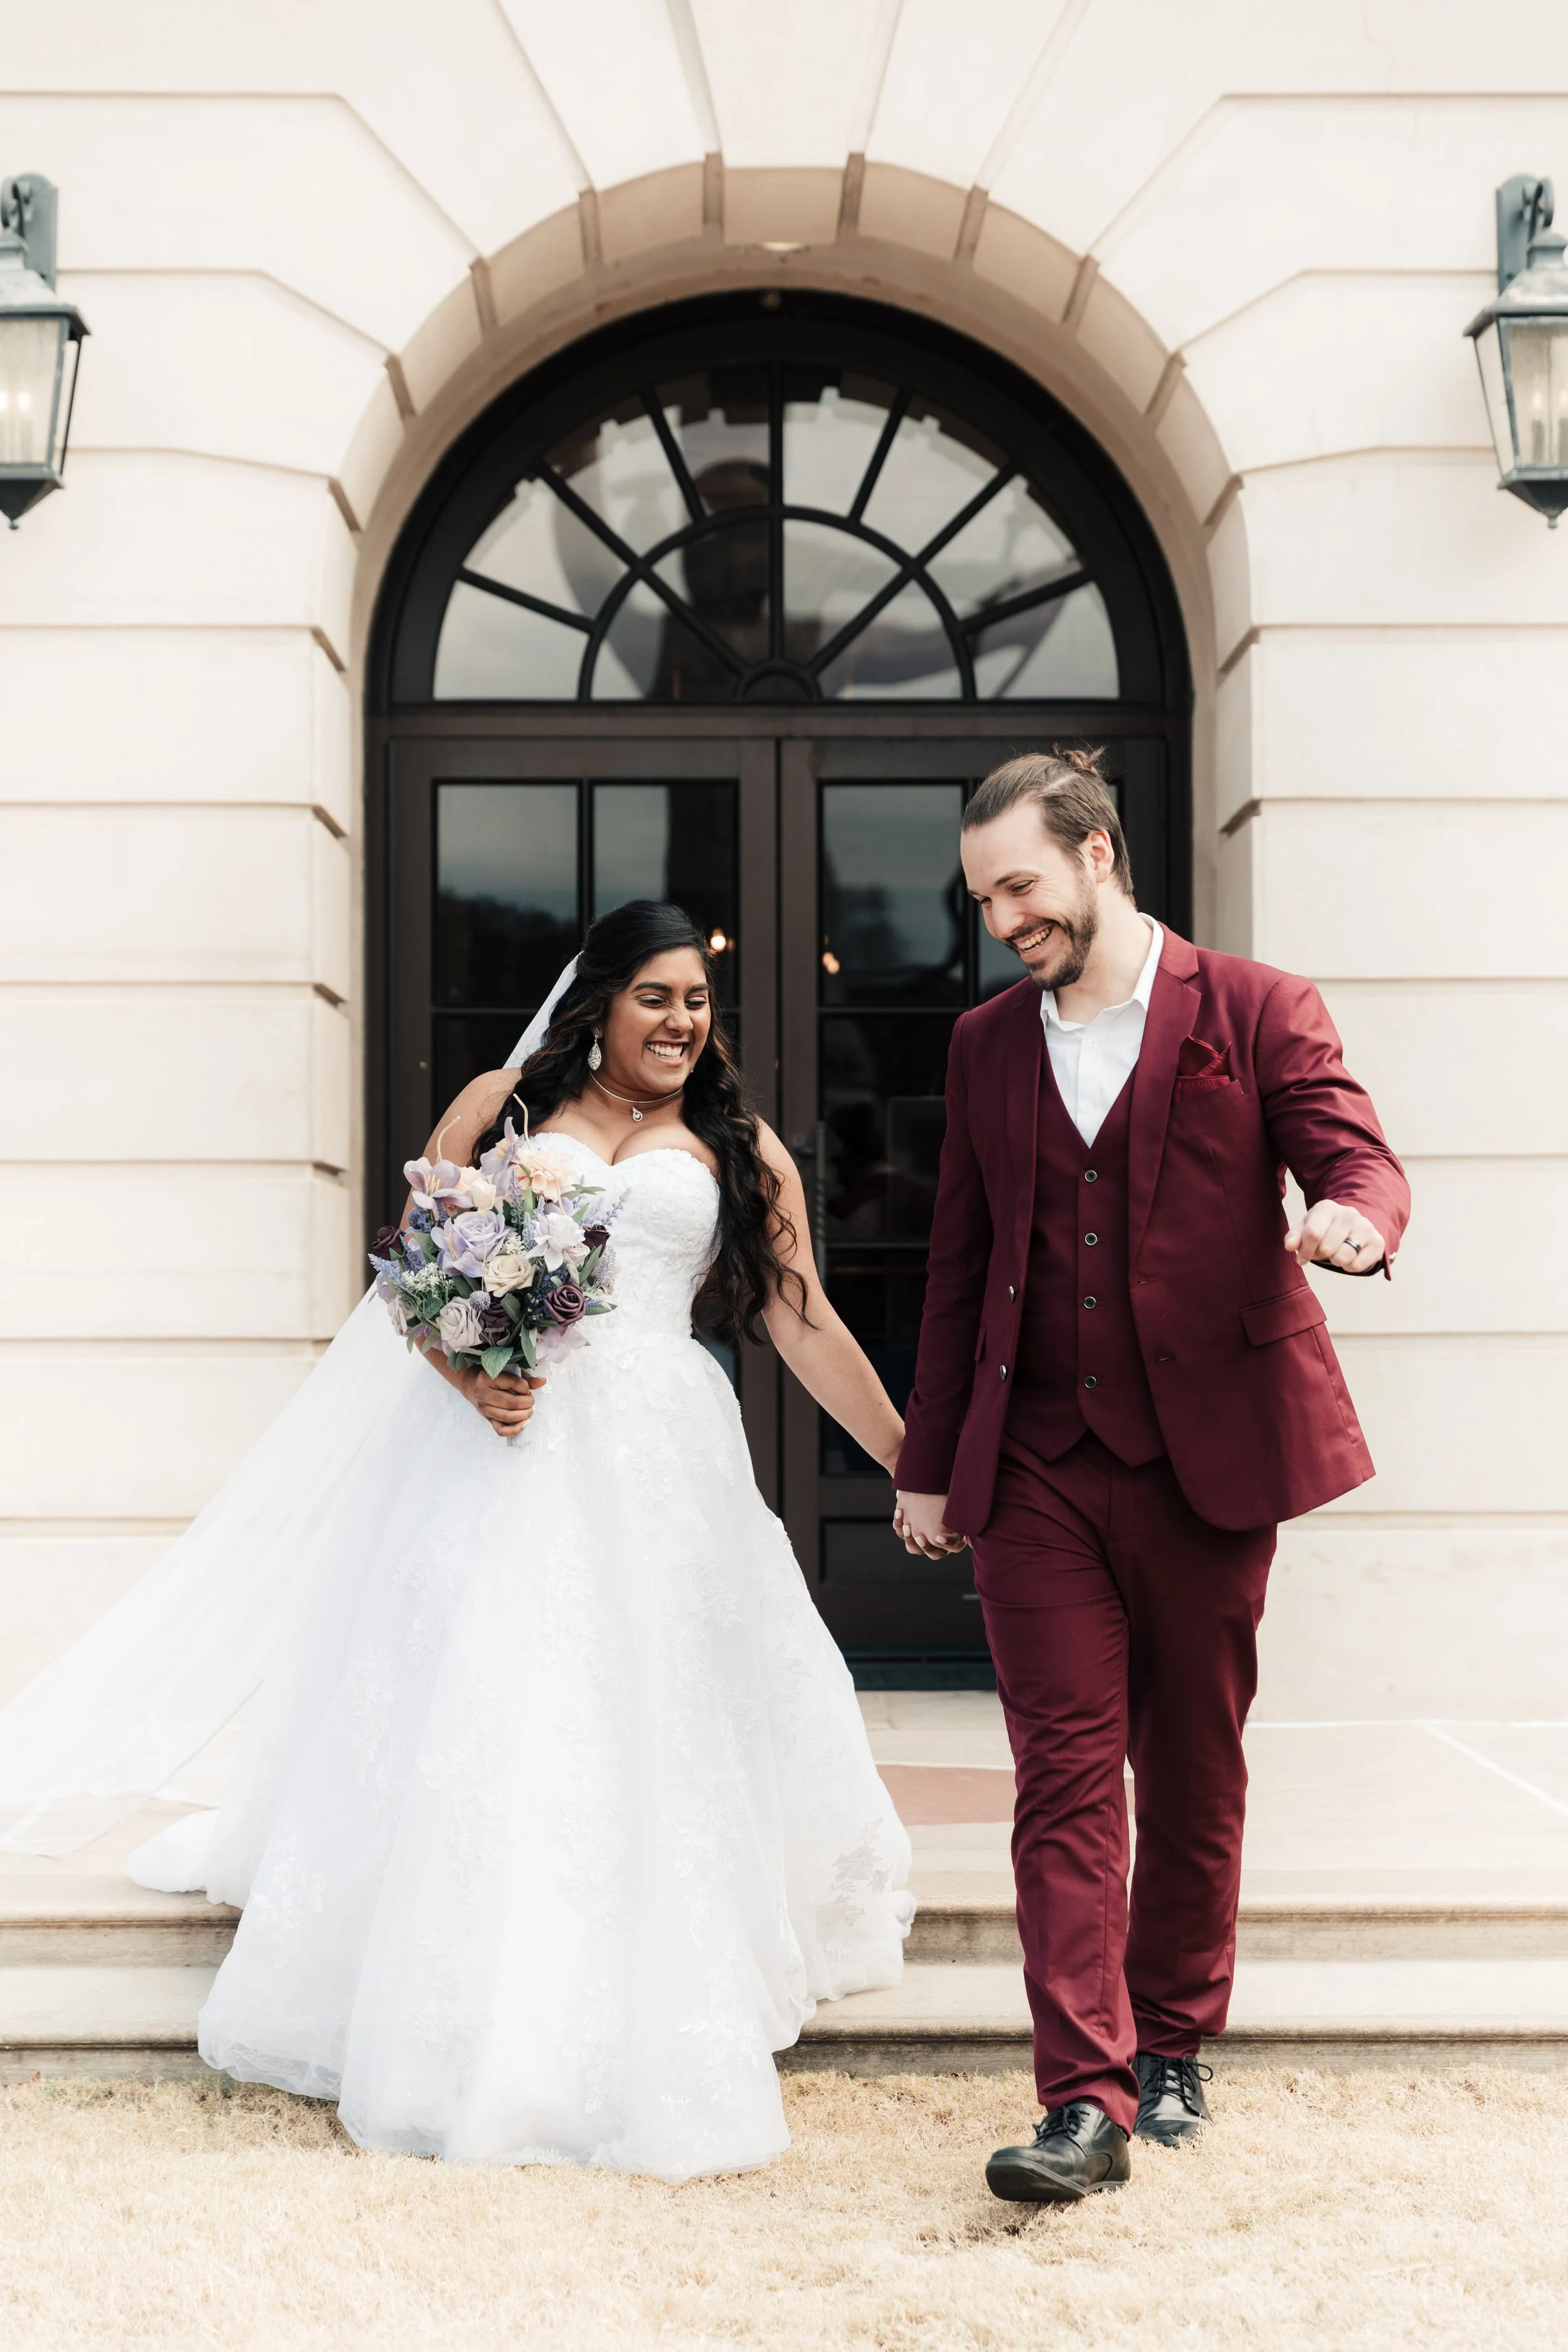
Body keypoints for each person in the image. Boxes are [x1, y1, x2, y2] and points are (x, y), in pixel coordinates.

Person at [3, 900, 913, 2181]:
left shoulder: (734, 1142)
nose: (679, 1022)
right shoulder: (501, 1110)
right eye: (654, 997)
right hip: (505, 1445)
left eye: (696, 1001)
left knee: (654, 1700)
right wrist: (469, 1376)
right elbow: (414, 1288)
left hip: (660, 1453)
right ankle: (462, 1994)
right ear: (595, 1002)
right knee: (498, 1696)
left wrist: (909, 1460)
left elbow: (804, 1315)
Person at [893, 750, 1410, 2204]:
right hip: (1037, 1461)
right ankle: (1082, 2101)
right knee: (1061, 1778)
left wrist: (1354, 1223)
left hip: (1206, 1459)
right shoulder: (984, 1044)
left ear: (1098, 854)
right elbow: (958, 1267)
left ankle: (1174, 2033)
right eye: (982, 895)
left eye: (1020, 886)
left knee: (1189, 1762)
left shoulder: (1252, 1008)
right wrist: (931, 1464)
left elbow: (1347, 1154)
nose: (1001, 917)